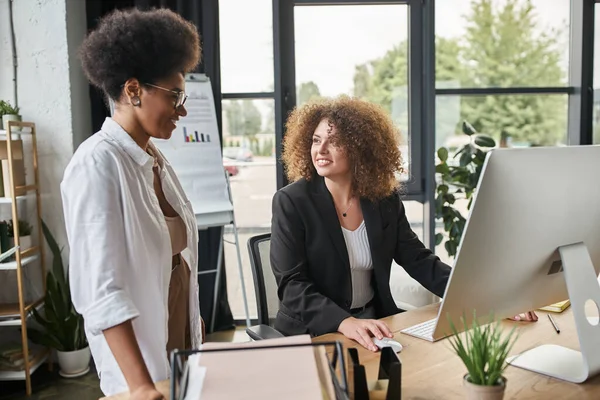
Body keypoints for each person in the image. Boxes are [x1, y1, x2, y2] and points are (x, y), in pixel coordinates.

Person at [270, 96, 537, 352]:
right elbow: (293, 285)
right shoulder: (291, 202)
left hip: (375, 323)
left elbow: (419, 260)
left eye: (335, 141)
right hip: (314, 332)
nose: (321, 149)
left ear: (360, 148)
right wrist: (345, 322)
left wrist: (487, 299)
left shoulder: (382, 201)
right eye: (316, 140)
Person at [61, 8, 203, 399]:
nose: (183, 108)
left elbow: (177, 261)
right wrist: (140, 387)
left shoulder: (154, 159)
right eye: (175, 95)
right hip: (141, 372)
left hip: (180, 352)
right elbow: (100, 290)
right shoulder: (97, 164)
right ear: (133, 89)